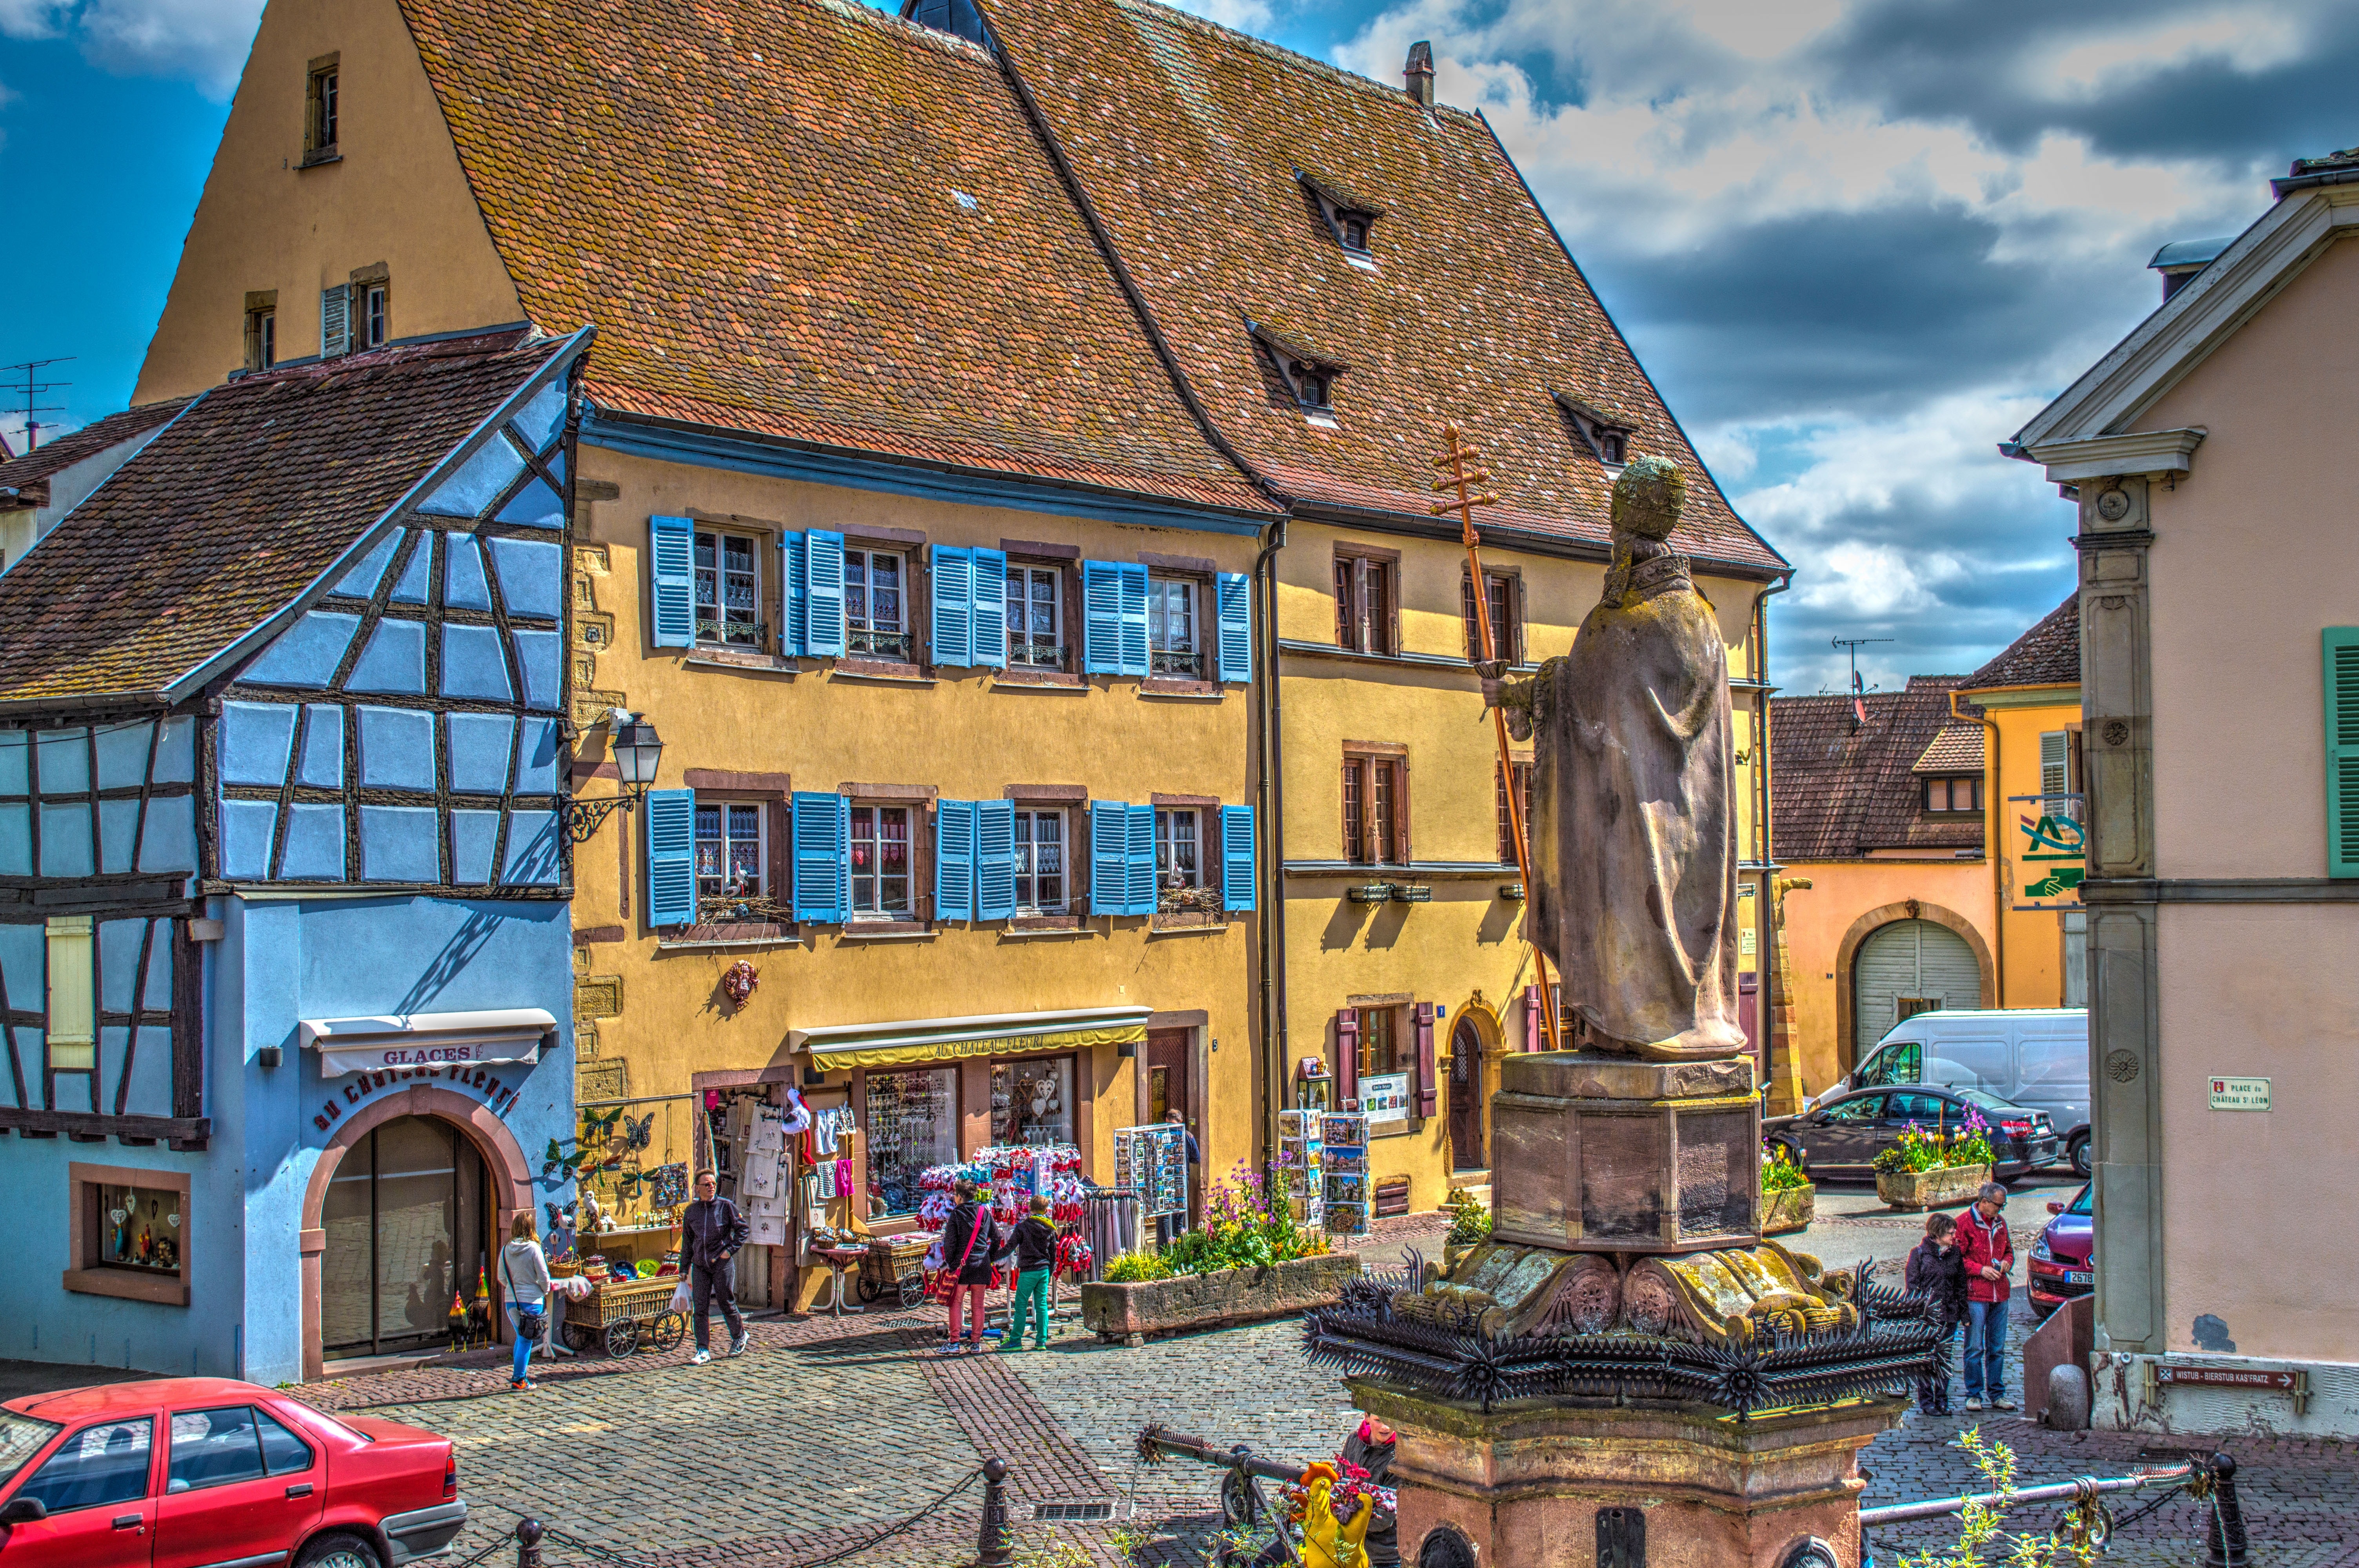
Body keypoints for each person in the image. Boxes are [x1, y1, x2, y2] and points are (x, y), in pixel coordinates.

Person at [1954, 1182, 2016, 1411]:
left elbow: (2009, 1250)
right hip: (1976, 1294)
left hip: (2000, 1293)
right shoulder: (1964, 1224)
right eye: (1999, 1205)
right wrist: (1980, 1270)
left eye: (2003, 1206)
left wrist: (2008, 1262)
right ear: (1985, 1202)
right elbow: (1957, 1259)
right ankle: (1974, 1394)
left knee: (1997, 1347)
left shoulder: (2001, 1223)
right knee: (1974, 1347)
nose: (2001, 1210)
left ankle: (1997, 1393)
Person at [680, 1169, 751, 1365]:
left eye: (713, 1183)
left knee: (725, 1302)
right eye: (707, 1184)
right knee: (700, 1308)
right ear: (697, 1188)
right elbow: (688, 1241)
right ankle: (703, 1349)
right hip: (700, 1266)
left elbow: (743, 1229)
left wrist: (729, 1251)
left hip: (722, 1264)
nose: (712, 1187)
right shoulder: (691, 1212)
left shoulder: (725, 1207)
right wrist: (684, 1268)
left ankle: (740, 1336)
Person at [1905, 1212, 1967, 1415]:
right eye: (1950, 1233)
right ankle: (1926, 1400)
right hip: (1927, 1317)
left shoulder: (1955, 1254)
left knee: (1944, 1358)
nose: (1954, 1236)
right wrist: (1917, 1313)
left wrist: (1964, 1314)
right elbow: (1913, 1288)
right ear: (1938, 1234)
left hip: (1949, 1314)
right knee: (1926, 1359)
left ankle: (1942, 1399)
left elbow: (1960, 1286)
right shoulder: (1920, 1254)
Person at [938, 1180, 997, 1355]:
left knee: (956, 1302)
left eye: (955, 1195)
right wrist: (990, 1258)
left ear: (960, 1197)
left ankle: (955, 1342)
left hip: (962, 1265)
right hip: (982, 1263)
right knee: (978, 1304)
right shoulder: (984, 1212)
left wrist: (952, 1264)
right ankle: (976, 1343)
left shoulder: (957, 1215)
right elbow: (997, 1236)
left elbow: (950, 1243)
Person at [498, 1212, 551, 1393]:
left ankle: (520, 1377)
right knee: (525, 1340)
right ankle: (519, 1379)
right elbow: (544, 1276)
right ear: (531, 1228)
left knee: (521, 1338)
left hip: (511, 1301)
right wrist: (544, 1291)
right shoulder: (534, 1248)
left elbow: (501, 1277)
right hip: (532, 1301)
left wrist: (514, 1289)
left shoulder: (506, 1249)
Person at [1003, 1195, 1058, 1351]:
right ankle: (1041, 1341)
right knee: (1041, 1305)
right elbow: (1053, 1254)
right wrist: (1050, 1271)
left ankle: (1015, 1341)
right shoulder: (1051, 1228)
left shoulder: (1022, 1227)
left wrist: (994, 1257)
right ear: (1046, 1210)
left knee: (1021, 1304)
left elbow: (1010, 1248)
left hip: (1028, 1270)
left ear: (1029, 1209)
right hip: (1043, 1271)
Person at [1155, 1111, 1203, 1248]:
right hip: (1181, 1179)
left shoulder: (1159, 1133)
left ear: (1167, 1119)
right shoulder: (1188, 1136)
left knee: (1163, 1214)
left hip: (1163, 1180)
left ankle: (1163, 1249)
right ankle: (1178, 1248)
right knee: (1179, 1213)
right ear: (1181, 1120)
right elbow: (1197, 1159)